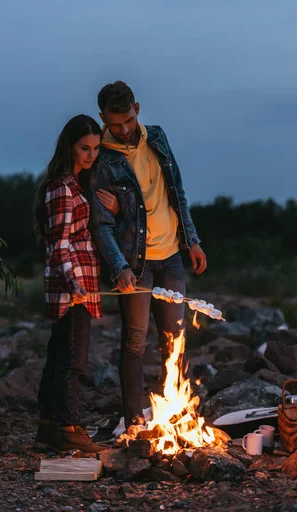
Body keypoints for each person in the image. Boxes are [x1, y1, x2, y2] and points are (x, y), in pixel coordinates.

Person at [89, 81, 207, 429]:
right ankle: (134, 422)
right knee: (135, 343)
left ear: (137, 109)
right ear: (103, 119)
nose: (123, 130)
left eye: (127, 120)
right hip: (135, 265)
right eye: (115, 124)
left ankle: (176, 416)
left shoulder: (157, 138)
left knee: (175, 339)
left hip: (172, 256)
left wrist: (193, 240)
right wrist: (120, 267)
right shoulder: (102, 159)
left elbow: (177, 194)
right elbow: (101, 226)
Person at [33, 114, 118, 453]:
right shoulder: (62, 188)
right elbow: (59, 243)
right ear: (69, 146)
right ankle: (70, 427)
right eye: (85, 148)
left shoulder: (77, 184)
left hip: (80, 281)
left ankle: (49, 428)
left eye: (96, 148)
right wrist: (74, 285)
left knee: (59, 355)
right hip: (73, 286)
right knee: (73, 360)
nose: (91, 155)